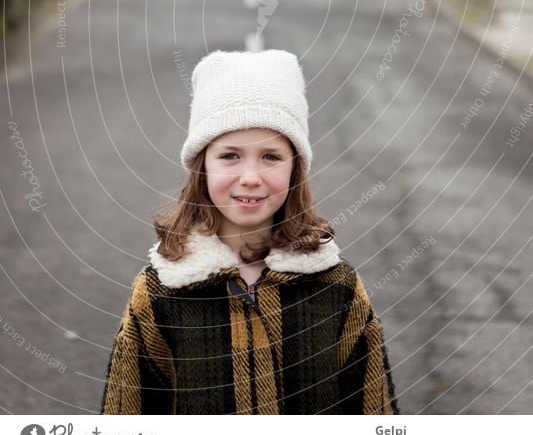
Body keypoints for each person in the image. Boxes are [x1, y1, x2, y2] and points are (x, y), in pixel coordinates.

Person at [100, 49, 399, 415]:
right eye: (230, 155)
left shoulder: (337, 288)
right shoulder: (159, 294)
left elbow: (374, 411)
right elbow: (126, 416)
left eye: (271, 156)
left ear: (295, 171)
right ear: (202, 167)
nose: (251, 177)